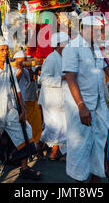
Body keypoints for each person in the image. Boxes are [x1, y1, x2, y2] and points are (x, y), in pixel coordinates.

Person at [63, 14, 109, 182]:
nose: (101, 34)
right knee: (81, 146)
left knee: (99, 143)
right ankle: (79, 181)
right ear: (86, 29)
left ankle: (96, 180)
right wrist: (81, 106)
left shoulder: (98, 49)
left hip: (99, 105)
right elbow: (70, 78)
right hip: (81, 107)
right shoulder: (72, 48)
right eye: (98, 30)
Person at [0, 36, 40, 182]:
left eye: (6, 49)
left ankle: (24, 168)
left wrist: (22, 111)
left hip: (10, 111)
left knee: (25, 133)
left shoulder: (10, 68)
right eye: (2, 50)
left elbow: (17, 92)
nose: (5, 52)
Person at [38, 32, 69, 162]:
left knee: (63, 127)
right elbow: (43, 80)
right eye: (65, 43)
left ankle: (55, 153)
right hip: (50, 100)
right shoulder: (51, 58)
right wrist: (62, 78)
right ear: (58, 45)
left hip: (62, 98)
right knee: (52, 127)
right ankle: (38, 147)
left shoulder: (66, 58)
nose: (68, 46)